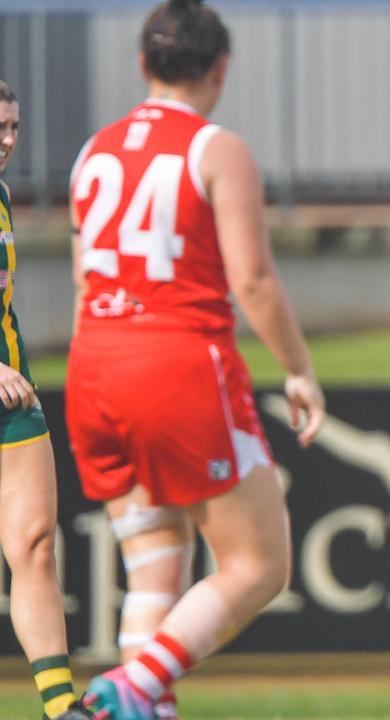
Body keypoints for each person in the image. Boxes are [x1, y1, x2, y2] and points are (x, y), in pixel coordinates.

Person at [66, 2, 325, 718]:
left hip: (93, 363)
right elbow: (253, 281)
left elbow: (86, 278)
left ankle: (138, 695)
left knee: (155, 563)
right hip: (176, 364)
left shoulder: (94, 150)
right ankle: (129, 689)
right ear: (221, 68)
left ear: (143, 64)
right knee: (259, 562)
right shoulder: (215, 149)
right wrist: (300, 370)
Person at [0, 80, 95, 720]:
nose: (7, 143)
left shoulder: (2, 197)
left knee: (34, 544)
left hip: (13, 390)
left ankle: (62, 710)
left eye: (12, 128)